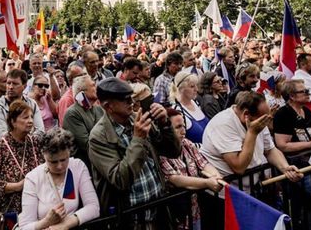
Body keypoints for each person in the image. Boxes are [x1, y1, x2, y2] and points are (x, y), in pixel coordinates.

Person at [88, 77, 180, 228]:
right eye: (125, 99)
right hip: (131, 219)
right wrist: (138, 139)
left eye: (131, 98)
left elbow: (173, 151)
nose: (131, 102)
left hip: (159, 211)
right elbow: (120, 179)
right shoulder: (98, 137)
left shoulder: (136, 118)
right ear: (108, 106)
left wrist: (164, 123)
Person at [201, 91, 303, 195]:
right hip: (228, 195)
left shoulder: (259, 119)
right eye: (264, 117)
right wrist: (252, 133)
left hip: (255, 188)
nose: (268, 120)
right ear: (246, 115)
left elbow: (270, 150)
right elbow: (239, 167)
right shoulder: (223, 124)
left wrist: (285, 168)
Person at [19, 128, 99, 230]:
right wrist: (46, 222)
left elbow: (93, 207)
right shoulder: (32, 178)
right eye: (53, 162)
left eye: (63, 160)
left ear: (69, 152)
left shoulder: (77, 166)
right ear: (44, 155)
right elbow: (25, 226)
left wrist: (66, 224)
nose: (60, 166)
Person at [159, 109, 224, 230]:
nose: (183, 130)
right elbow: (175, 179)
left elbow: (203, 163)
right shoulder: (161, 151)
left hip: (194, 212)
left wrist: (216, 176)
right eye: (178, 127)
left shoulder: (186, 144)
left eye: (183, 126)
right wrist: (206, 183)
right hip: (176, 216)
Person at [0, 99, 43, 215]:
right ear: (13, 122)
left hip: (33, 206)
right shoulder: (1, 146)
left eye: (31, 117)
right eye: (25, 118)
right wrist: (17, 186)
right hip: (8, 210)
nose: (30, 121)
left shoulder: (34, 142)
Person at [61, 75, 103, 167]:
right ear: (81, 92)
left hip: (101, 163)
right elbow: (87, 145)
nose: (96, 88)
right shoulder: (72, 114)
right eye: (93, 85)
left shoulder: (99, 109)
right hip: (84, 166)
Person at [0, 69, 45, 140]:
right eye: (8, 83)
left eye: (15, 84)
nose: (10, 87)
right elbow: (2, 135)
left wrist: (27, 141)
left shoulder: (31, 103)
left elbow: (40, 131)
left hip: (30, 147)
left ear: (24, 86)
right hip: (8, 149)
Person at [272, 80, 311, 154]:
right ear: (292, 96)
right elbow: (283, 146)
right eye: (304, 91)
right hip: (298, 160)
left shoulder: (306, 110)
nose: (308, 93)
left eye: (307, 90)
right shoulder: (283, 114)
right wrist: (309, 144)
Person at [170, 72, 208, 145]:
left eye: (196, 86)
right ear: (181, 88)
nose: (196, 89)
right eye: (192, 86)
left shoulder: (195, 102)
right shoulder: (178, 111)